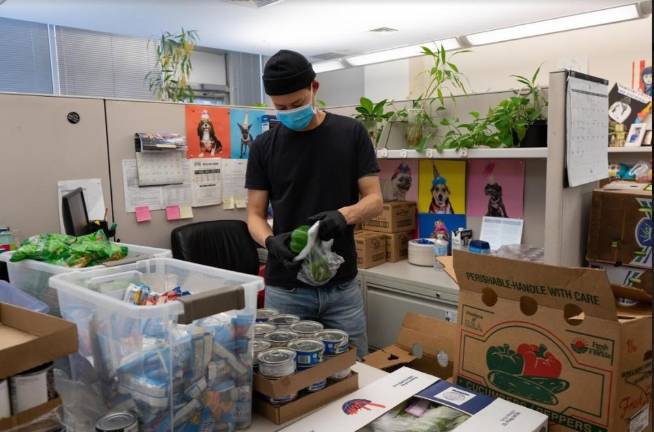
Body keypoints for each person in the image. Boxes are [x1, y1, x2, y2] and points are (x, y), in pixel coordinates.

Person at [245, 50, 383, 358]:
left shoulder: (351, 134)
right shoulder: (263, 147)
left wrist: (343, 215)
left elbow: (375, 201)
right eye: (281, 107)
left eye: (296, 104)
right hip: (286, 290)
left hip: (342, 290)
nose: (289, 112)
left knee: (354, 368)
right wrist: (269, 240)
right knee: (288, 379)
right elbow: (253, 215)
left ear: (314, 89)